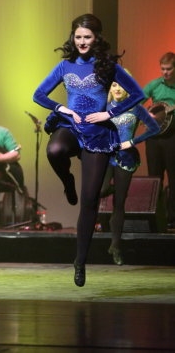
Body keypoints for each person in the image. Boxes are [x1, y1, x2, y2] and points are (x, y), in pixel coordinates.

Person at [33, 14, 145, 287]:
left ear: (96, 39)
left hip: (98, 134)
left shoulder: (108, 67)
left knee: (90, 200)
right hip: (72, 126)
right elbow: (39, 94)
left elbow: (138, 95)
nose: (82, 42)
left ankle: (80, 261)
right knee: (55, 150)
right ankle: (67, 182)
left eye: (87, 37)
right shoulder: (65, 65)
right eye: (78, 37)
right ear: (73, 37)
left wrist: (109, 114)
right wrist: (62, 108)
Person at [100, 80, 160, 265]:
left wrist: (132, 142)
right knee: (100, 191)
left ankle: (115, 246)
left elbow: (154, 128)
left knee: (119, 203)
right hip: (106, 156)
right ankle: (113, 189)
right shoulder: (104, 107)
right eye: (114, 85)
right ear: (110, 88)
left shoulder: (135, 107)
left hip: (126, 159)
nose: (118, 89)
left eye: (121, 85)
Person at [142, 52, 175, 230]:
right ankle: (155, 218)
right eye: (162, 69)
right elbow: (137, 100)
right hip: (154, 136)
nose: (165, 72)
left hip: (172, 136)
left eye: (168, 69)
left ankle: (172, 218)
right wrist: (146, 114)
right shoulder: (155, 85)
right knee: (154, 178)